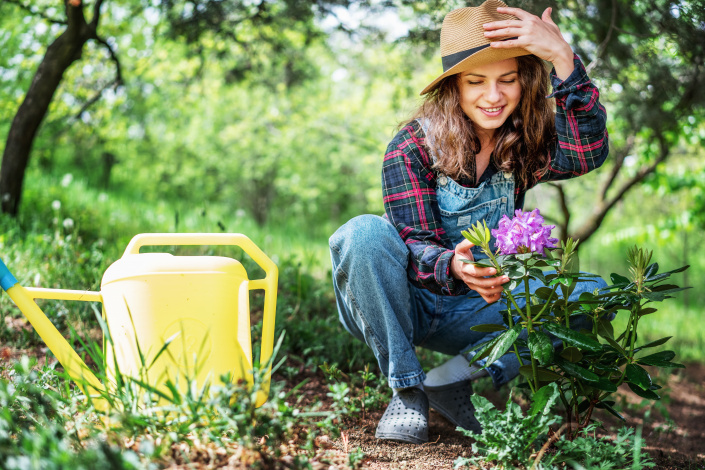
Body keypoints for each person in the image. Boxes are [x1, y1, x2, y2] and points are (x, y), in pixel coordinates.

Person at [328, 0, 609, 444]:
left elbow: (588, 150)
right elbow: (412, 240)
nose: (493, 96)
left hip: (474, 310)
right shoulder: (412, 145)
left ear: (524, 82)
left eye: (507, 80)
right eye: (476, 81)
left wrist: (563, 60)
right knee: (362, 232)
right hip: (405, 304)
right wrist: (454, 265)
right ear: (454, 86)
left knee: (595, 294)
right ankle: (406, 390)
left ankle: (451, 378)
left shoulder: (523, 143)